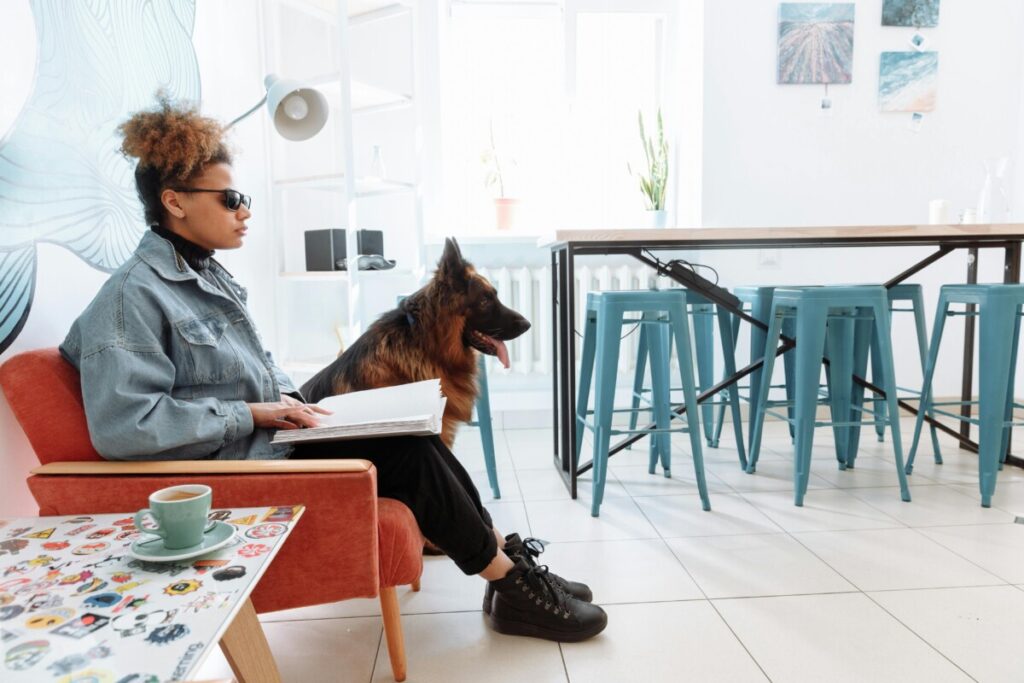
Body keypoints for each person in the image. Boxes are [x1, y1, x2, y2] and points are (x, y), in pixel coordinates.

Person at [59, 97, 607, 643]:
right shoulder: (131, 298)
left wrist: (310, 407)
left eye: (242, 197)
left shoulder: (207, 279)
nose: (244, 210)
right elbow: (125, 428)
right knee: (407, 451)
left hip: (271, 441)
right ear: (174, 202)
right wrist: (251, 412)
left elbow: (253, 374)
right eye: (230, 199)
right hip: (236, 469)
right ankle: (513, 589)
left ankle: (507, 563)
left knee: (413, 428)